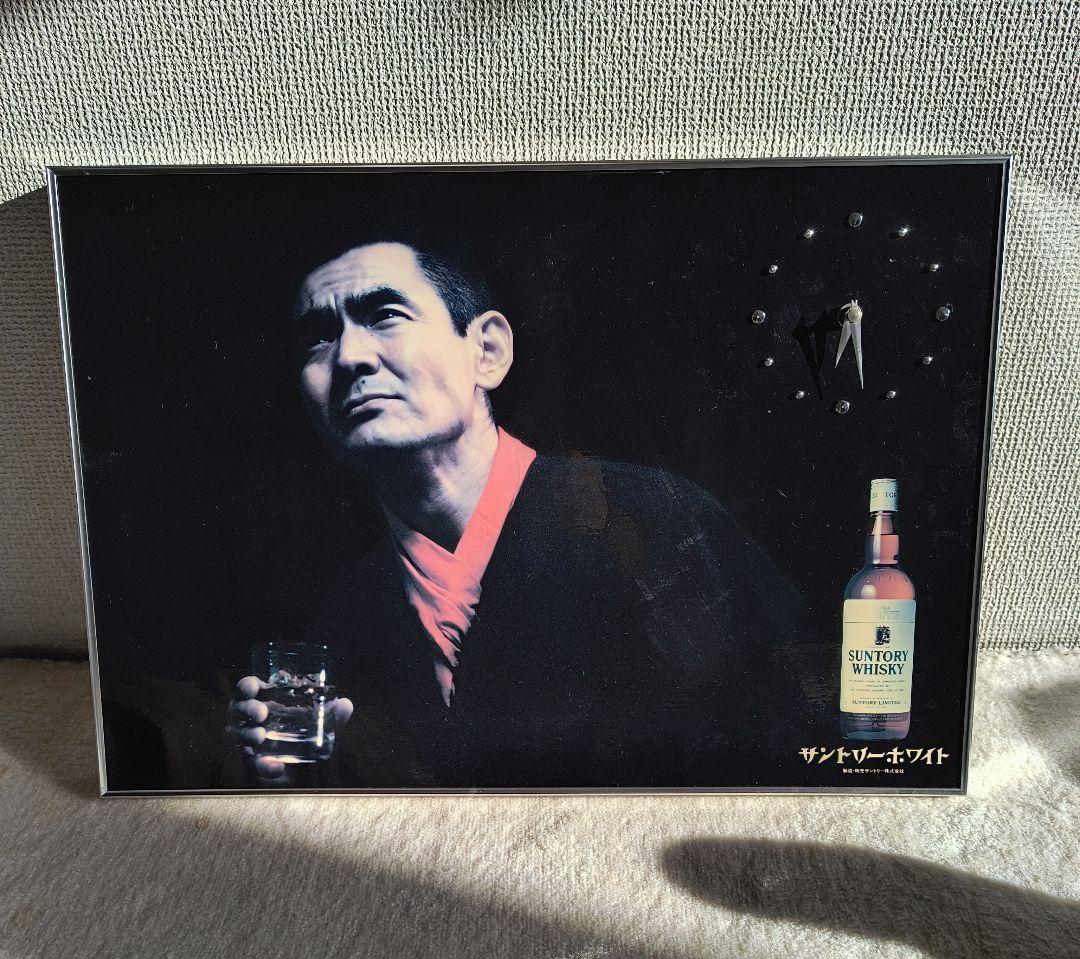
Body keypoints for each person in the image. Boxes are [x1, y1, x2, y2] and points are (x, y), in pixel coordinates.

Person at [230, 239, 820, 789]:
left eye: (385, 315)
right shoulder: (339, 609)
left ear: (487, 351)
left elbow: (794, 738)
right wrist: (291, 776)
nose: (349, 357)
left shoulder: (658, 519)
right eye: (318, 339)